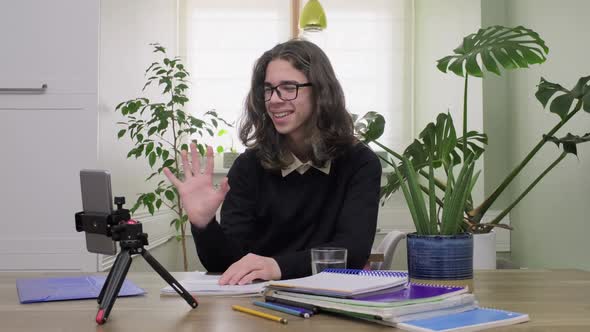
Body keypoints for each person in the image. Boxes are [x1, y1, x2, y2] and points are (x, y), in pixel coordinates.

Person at [164, 39, 381, 285]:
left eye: (289, 87)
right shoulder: (248, 167)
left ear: (321, 91)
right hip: (256, 308)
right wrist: (204, 224)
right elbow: (226, 265)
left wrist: (276, 266)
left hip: (330, 302)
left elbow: (351, 253)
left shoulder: (360, 162)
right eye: (268, 89)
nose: (274, 100)